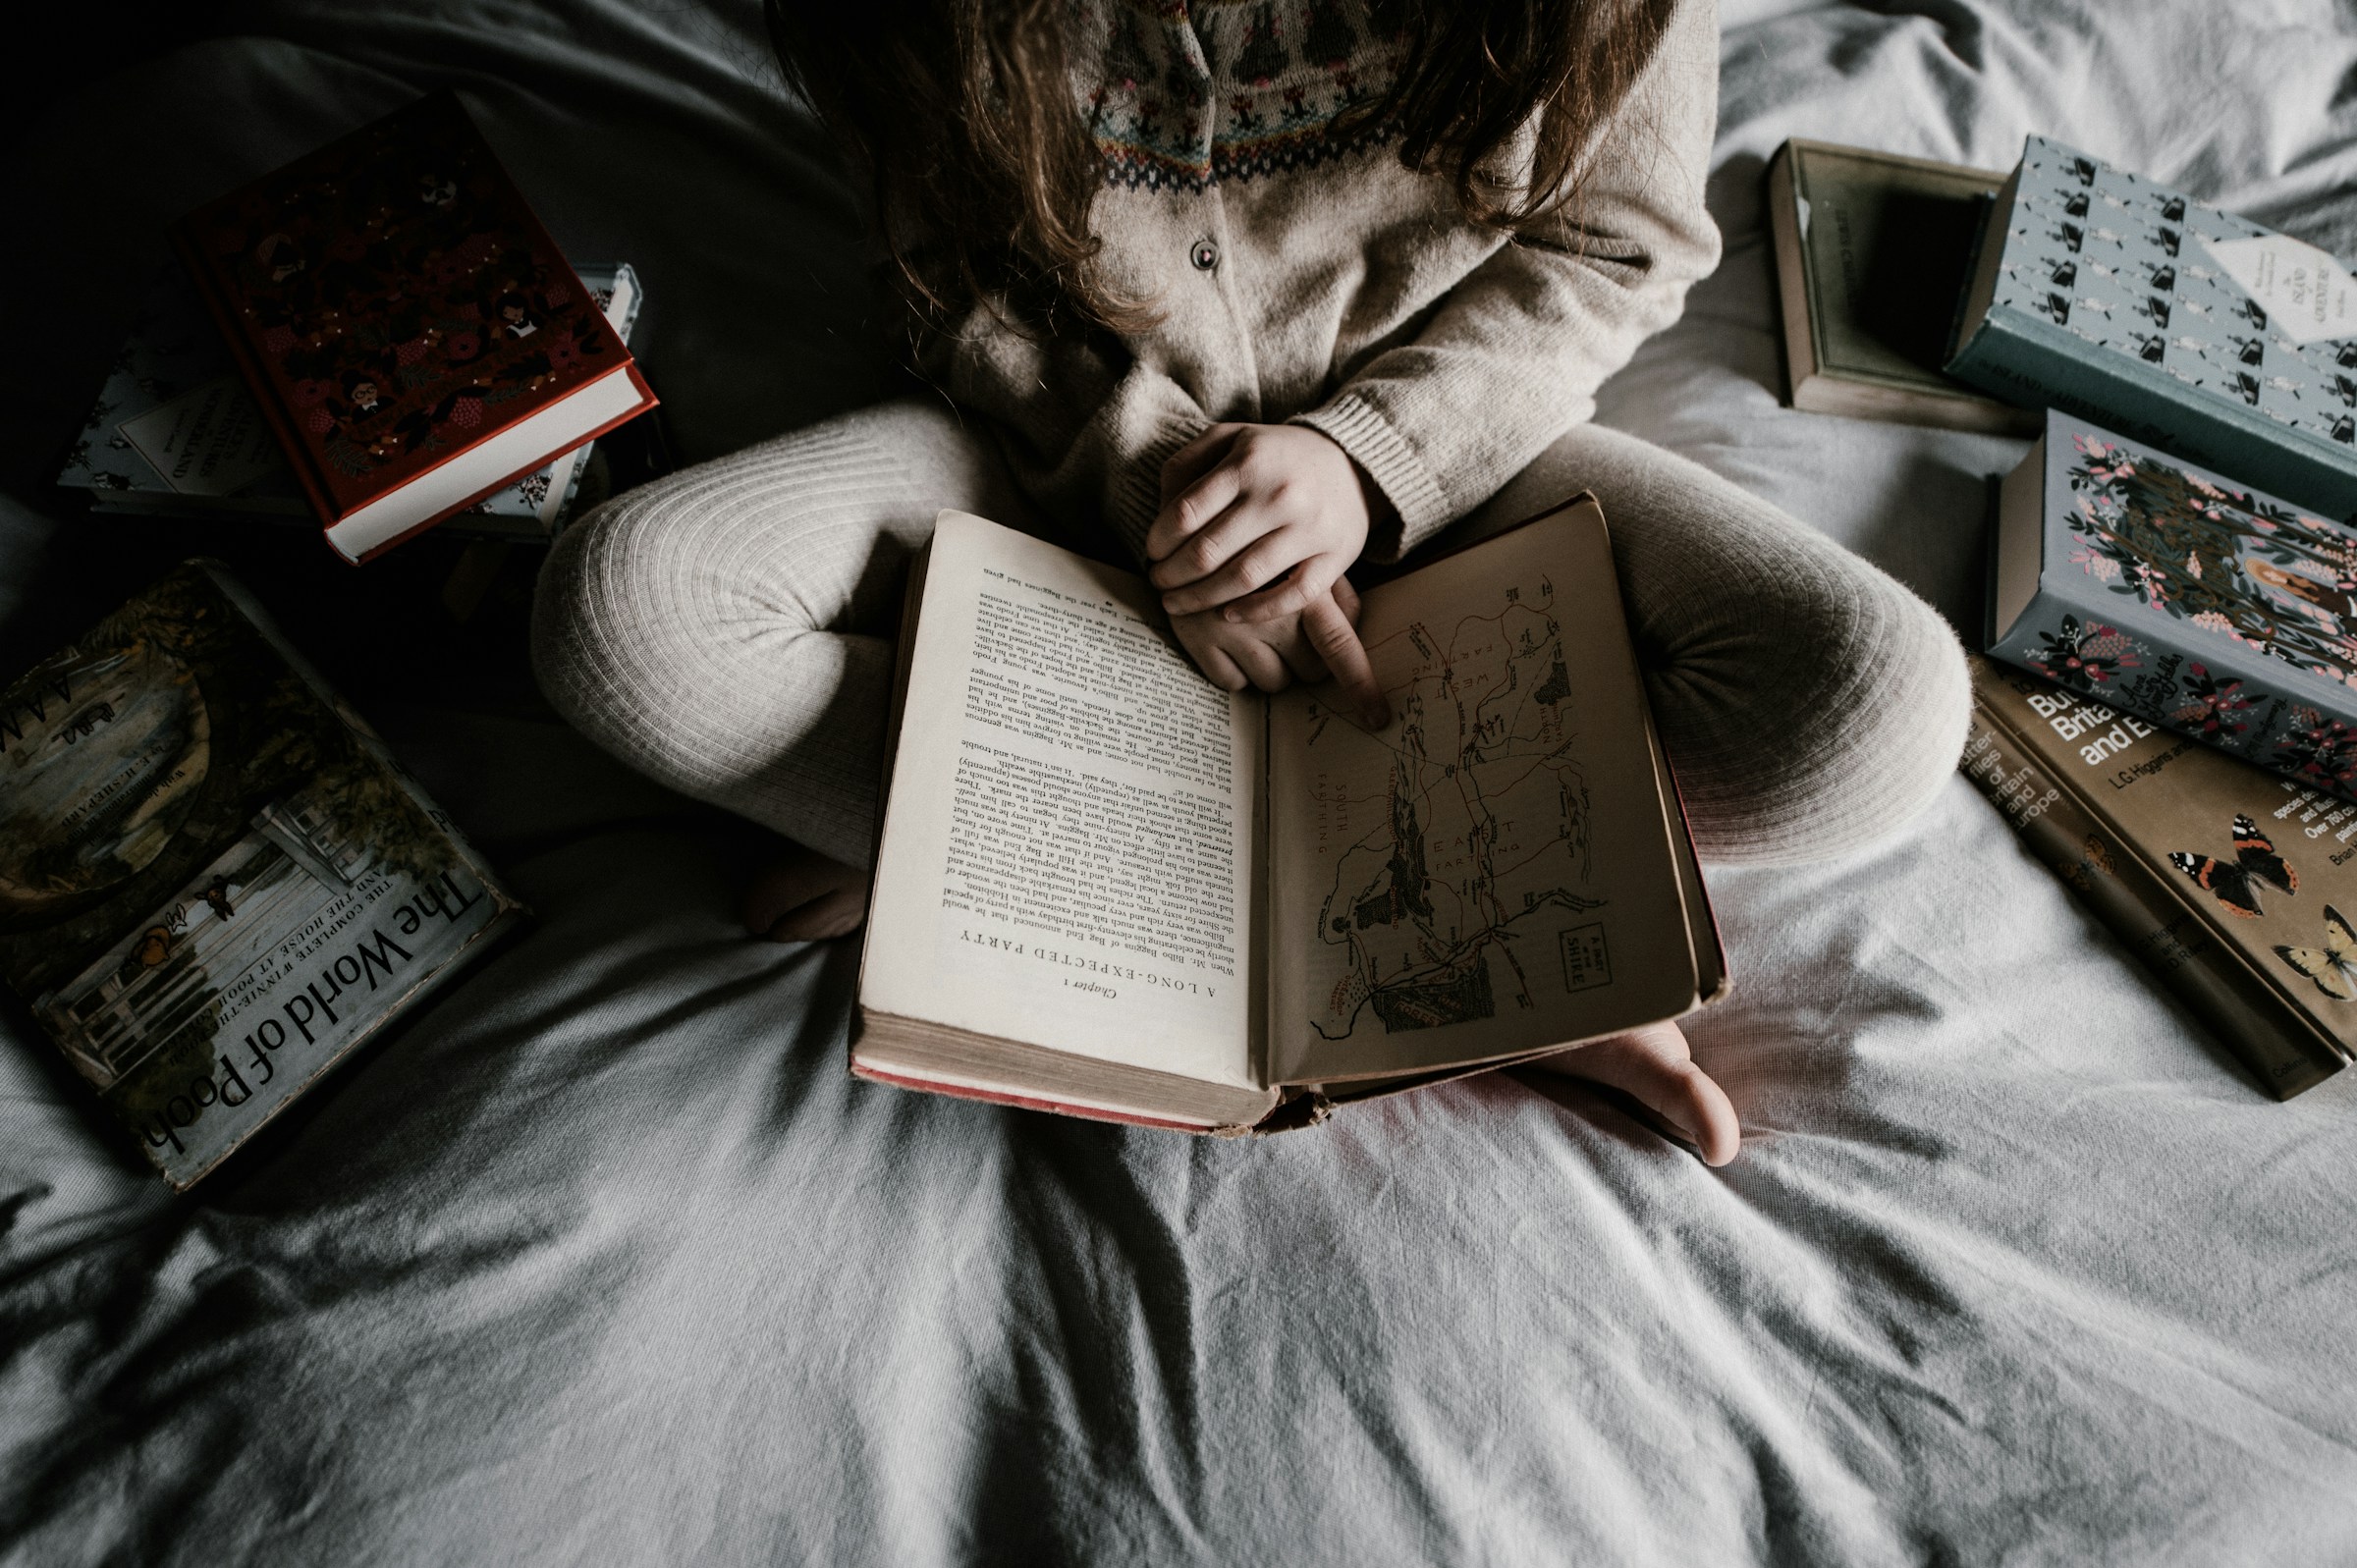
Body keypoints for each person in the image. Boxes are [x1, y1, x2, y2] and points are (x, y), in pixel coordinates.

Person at [531, 0, 1971, 1165]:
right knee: (629, 613)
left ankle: (997, 837)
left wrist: (1363, 465)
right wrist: (1171, 495)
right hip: (1040, 453)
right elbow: (962, 281)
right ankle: (1021, 844)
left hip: (1453, 461)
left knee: (1874, 708)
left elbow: (1620, 242)